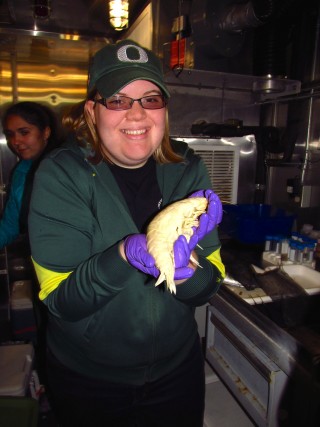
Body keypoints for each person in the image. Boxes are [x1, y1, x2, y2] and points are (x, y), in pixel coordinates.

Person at [28, 39, 226, 427]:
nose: (136, 114)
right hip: (90, 380)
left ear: (164, 110)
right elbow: (61, 302)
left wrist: (189, 271)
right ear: (92, 110)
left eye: (150, 99)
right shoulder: (61, 175)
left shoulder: (188, 170)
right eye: (117, 100)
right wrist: (122, 257)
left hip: (177, 372)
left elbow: (209, 288)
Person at [0, 101, 61, 250]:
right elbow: (10, 224)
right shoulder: (22, 171)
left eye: (24, 132)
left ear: (45, 132)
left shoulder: (66, 168)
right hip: (42, 257)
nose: (15, 141)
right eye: (10, 135)